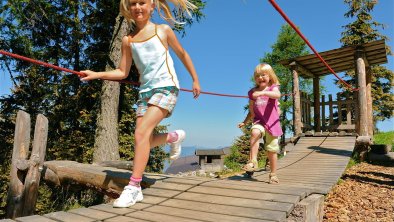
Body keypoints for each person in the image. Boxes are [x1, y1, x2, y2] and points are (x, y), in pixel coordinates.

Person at [80, 0, 201, 207]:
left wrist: (195, 79)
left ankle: (134, 187)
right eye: (133, 3)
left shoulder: (162, 30)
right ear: (128, 8)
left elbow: (182, 53)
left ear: (152, 6)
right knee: (143, 138)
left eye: (142, 2)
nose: (137, 7)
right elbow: (122, 72)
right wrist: (96, 74)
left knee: (140, 134)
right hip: (144, 92)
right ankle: (173, 137)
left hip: (167, 87)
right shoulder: (128, 40)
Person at [238, 63, 282, 184]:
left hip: (272, 124)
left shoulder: (273, 88)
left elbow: (277, 95)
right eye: (257, 76)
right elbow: (251, 109)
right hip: (259, 121)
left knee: (272, 151)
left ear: (270, 76)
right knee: (255, 132)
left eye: (263, 75)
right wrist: (245, 122)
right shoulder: (252, 92)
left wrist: (263, 93)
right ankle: (253, 161)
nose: (260, 77)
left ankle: (273, 174)